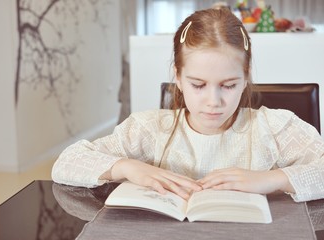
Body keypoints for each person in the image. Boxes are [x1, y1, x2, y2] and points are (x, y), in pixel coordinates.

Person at [52, 8, 324, 202]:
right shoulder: (148, 129)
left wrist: (272, 180)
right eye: (198, 85)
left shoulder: (276, 128)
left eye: (229, 85)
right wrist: (127, 167)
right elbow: (67, 162)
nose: (213, 102)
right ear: (179, 77)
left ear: (246, 77)